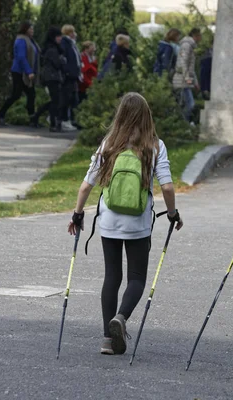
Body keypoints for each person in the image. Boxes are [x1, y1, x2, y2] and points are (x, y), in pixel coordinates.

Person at [67, 92, 184, 355]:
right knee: (137, 277)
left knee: (112, 276)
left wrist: (77, 214)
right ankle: (121, 317)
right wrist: (173, 214)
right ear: (146, 116)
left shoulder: (110, 143)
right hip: (138, 223)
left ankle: (108, 340)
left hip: (109, 220)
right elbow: (166, 186)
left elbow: (87, 184)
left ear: (120, 115)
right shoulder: (154, 146)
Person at [0, 21, 39, 125]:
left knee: (31, 94)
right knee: (16, 94)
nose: (32, 30)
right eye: (30, 28)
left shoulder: (30, 40)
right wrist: (29, 71)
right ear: (25, 29)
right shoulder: (21, 40)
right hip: (19, 72)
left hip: (26, 71)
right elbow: (21, 57)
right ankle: (0, 115)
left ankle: (32, 119)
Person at [31, 27, 66, 132]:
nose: (60, 38)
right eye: (58, 36)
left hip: (51, 77)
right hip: (52, 77)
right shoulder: (52, 50)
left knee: (54, 100)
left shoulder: (51, 48)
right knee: (55, 101)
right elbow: (57, 64)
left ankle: (37, 117)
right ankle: (52, 123)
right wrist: (63, 60)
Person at [172, 28, 202, 123]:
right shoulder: (186, 45)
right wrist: (187, 78)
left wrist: (195, 82)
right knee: (189, 104)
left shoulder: (190, 46)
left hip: (184, 81)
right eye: (200, 35)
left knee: (186, 104)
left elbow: (190, 68)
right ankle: (185, 124)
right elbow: (183, 63)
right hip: (181, 81)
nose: (201, 38)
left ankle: (185, 123)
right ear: (195, 36)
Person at [60, 25, 81, 132]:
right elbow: (64, 58)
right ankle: (64, 119)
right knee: (67, 98)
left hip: (74, 75)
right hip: (69, 76)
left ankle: (71, 120)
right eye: (72, 32)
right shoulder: (65, 43)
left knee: (73, 98)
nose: (74, 34)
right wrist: (68, 71)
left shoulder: (72, 43)